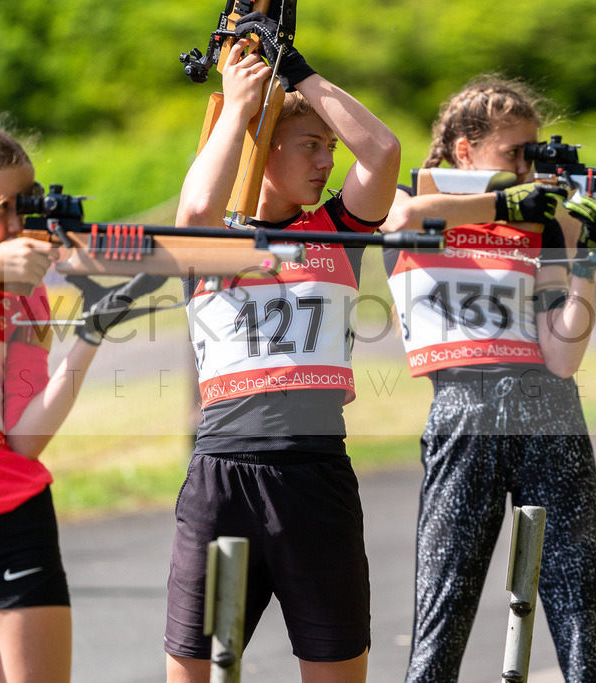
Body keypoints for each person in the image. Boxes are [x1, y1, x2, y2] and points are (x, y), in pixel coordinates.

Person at [164, 14, 400, 682]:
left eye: (330, 147)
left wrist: (293, 67)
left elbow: (382, 151)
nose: (328, 161)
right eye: (310, 146)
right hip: (222, 476)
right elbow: (193, 217)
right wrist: (241, 106)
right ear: (262, 149)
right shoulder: (218, 236)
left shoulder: (339, 227)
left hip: (317, 475)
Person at [381, 74, 596, 682]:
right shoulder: (413, 198)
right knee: (442, 618)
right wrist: (502, 205)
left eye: (532, 154)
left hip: (550, 408)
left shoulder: (539, 225)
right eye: (514, 152)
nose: (526, 167)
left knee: (583, 623)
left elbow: (562, 356)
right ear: (464, 150)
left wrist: (587, 258)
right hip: (464, 407)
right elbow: (400, 217)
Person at [0, 125, 151, 682]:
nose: (20, 227)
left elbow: (24, 439)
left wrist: (90, 334)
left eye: (27, 208)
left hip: (14, 511)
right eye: (4, 209)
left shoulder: (27, 292)